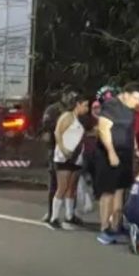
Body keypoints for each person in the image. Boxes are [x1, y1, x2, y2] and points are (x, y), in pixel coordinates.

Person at [95, 83, 139, 245]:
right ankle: (104, 228)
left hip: (125, 153)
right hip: (109, 154)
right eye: (135, 98)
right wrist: (111, 152)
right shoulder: (111, 105)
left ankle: (117, 225)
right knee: (108, 190)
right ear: (126, 94)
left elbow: (130, 131)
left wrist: (136, 149)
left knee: (120, 191)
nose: (137, 102)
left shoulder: (129, 109)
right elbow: (103, 129)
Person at [49, 94, 90, 230]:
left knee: (72, 188)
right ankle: (54, 217)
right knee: (63, 186)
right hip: (64, 156)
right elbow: (58, 133)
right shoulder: (67, 116)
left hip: (76, 156)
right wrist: (63, 149)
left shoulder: (81, 120)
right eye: (85, 105)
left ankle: (69, 215)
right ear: (77, 104)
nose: (87, 108)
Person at [40, 91, 70, 223]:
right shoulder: (53, 110)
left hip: (73, 149)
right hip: (55, 148)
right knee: (54, 182)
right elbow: (46, 127)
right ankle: (51, 213)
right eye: (69, 95)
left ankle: (70, 214)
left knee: (72, 184)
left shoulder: (74, 110)